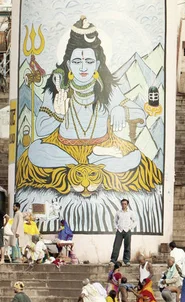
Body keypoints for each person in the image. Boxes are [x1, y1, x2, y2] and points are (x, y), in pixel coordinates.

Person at [20, 16, 161, 199]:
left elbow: (140, 114)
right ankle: (82, 166)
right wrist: (58, 115)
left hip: (102, 151)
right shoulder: (57, 89)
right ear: (69, 64)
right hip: (64, 151)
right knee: (35, 151)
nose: (83, 67)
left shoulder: (108, 88)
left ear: (97, 63)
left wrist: (121, 110)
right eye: (77, 61)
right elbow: (40, 130)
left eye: (88, 61)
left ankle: (81, 167)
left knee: (133, 157)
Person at [110, 199, 137, 266]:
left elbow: (135, 221)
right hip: (120, 231)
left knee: (127, 246)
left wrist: (130, 227)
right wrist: (116, 228)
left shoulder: (131, 212)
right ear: (121, 204)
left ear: (127, 204)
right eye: (122, 204)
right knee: (116, 246)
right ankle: (113, 260)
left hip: (127, 231)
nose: (123, 205)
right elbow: (114, 221)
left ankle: (126, 260)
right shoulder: (118, 212)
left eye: (125, 204)